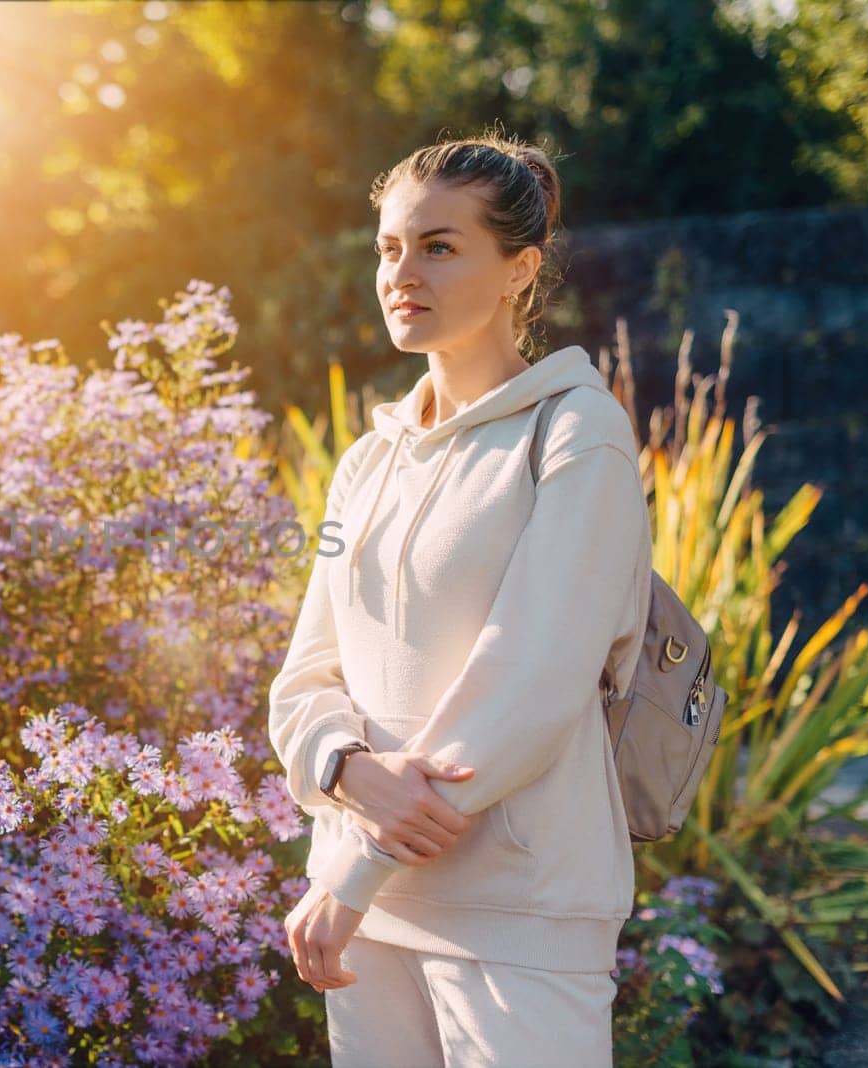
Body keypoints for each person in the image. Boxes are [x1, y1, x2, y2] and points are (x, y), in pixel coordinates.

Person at [268, 130, 654, 1067]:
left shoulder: (578, 434)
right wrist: (344, 768)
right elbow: (306, 673)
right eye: (390, 247)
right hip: (362, 913)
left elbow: (531, 676)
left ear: (520, 270)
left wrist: (360, 865)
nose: (404, 271)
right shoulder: (365, 462)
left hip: (515, 912)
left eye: (441, 246)